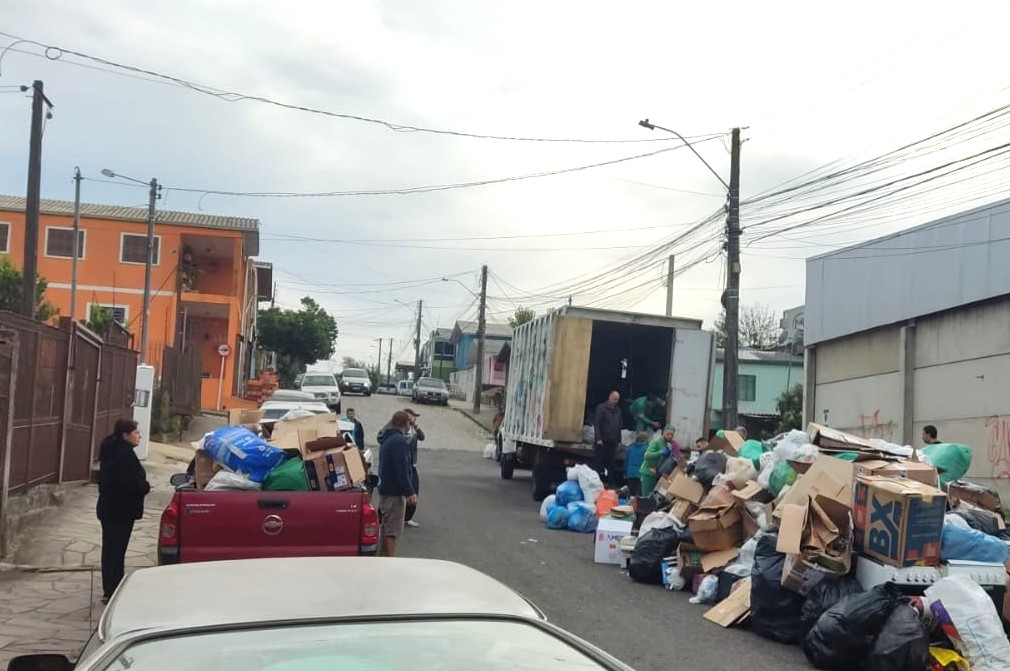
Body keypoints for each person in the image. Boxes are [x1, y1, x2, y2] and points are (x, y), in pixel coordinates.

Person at [97, 418, 150, 603]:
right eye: (136, 433)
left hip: (110, 508)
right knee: (116, 550)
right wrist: (145, 486)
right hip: (119, 510)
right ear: (125, 435)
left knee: (111, 549)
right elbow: (130, 483)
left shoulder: (112, 449)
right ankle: (113, 590)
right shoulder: (124, 455)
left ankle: (110, 587)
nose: (139, 436)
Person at [377, 411, 416, 556]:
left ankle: (383, 558)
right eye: (409, 423)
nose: (410, 427)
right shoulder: (399, 442)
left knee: (386, 527)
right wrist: (410, 491)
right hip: (394, 492)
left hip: (385, 489)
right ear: (403, 423)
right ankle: (390, 561)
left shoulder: (387, 439)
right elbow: (402, 469)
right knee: (391, 531)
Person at [640, 426, 680, 497]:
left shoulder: (667, 444)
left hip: (657, 473)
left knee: (653, 497)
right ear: (663, 433)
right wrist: (660, 452)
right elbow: (647, 456)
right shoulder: (656, 441)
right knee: (647, 497)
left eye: (672, 435)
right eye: (668, 434)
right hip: (648, 472)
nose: (670, 436)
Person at [593, 391, 622, 485]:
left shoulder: (618, 411)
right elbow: (597, 424)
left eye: (617, 400)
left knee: (612, 464)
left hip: (613, 441)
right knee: (599, 462)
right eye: (614, 399)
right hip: (602, 440)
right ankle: (596, 482)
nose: (615, 401)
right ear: (609, 397)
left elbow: (619, 426)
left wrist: (619, 440)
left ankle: (611, 484)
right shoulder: (601, 408)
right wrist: (598, 438)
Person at [623, 431, 649, 497]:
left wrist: (625, 473)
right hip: (640, 474)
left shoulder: (630, 448)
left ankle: (631, 506)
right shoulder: (646, 448)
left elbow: (626, 462)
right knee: (640, 495)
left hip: (630, 474)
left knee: (632, 495)